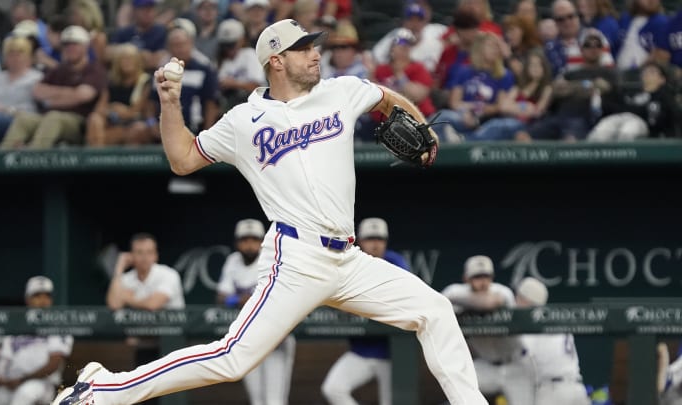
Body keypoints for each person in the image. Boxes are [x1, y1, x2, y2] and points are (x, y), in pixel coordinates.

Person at [52, 18, 486, 405]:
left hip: (349, 259)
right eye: (305, 48)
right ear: (276, 60)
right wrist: (169, 104)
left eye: (316, 46)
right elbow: (183, 159)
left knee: (435, 311)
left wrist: (424, 134)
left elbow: (384, 97)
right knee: (232, 358)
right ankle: (102, 389)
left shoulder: (340, 91)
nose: (317, 53)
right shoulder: (244, 120)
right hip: (296, 258)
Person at [321, 217, 409, 405]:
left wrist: (358, 303)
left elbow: (403, 293)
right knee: (333, 389)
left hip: (393, 351)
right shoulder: (348, 263)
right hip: (361, 351)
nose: (375, 244)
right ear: (360, 241)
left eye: (379, 239)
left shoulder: (395, 261)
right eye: (370, 239)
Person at [217, 219, 296, 405]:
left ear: (262, 241)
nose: (250, 244)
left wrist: (245, 298)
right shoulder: (233, 261)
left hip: (275, 338)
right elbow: (221, 297)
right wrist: (236, 299)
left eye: (254, 239)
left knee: (274, 401)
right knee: (257, 401)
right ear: (237, 243)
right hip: (247, 338)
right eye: (245, 239)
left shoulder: (274, 260)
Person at [0, 276, 74, 405]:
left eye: (47, 296)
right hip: (10, 384)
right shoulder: (18, 326)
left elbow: (54, 363)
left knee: (24, 395)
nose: (43, 300)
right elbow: (5, 358)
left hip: (40, 384)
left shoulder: (58, 325)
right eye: (37, 296)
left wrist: (21, 380)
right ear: (28, 299)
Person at [441, 255, 535, 405]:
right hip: (485, 366)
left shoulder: (502, 292)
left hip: (515, 365)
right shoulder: (457, 291)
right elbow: (442, 299)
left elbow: (488, 303)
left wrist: (463, 304)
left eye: (486, 276)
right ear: (466, 279)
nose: (483, 282)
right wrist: (464, 301)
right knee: (457, 394)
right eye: (477, 277)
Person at [105, 232, 185, 405]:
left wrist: (127, 298)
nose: (144, 257)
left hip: (172, 344)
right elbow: (113, 303)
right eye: (139, 252)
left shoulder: (168, 274)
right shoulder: (127, 278)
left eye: (149, 252)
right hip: (144, 344)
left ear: (155, 255)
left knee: (170, 395)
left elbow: (153, 304)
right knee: (145, 395)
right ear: (132, 256)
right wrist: (118, 268)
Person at [0, 25, 107, 149]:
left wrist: (52, 100)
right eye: (67, 44)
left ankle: (33, 157)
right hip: (47, 118)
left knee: (53, 117)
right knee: (24, 119)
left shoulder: (94, 70)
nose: (70, 48)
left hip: (78, 122)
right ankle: (0, 159)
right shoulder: (60, 69)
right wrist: (71, 94)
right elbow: (37, 90)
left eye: (75, 44)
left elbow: (84, 95)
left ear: (85, 46)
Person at [515, 277, 590, 405]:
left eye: (518, 298)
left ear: (524, 300)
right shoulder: (555, 317)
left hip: (553, 391)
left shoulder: (532, 323)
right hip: (577, 389)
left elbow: (521, 359)